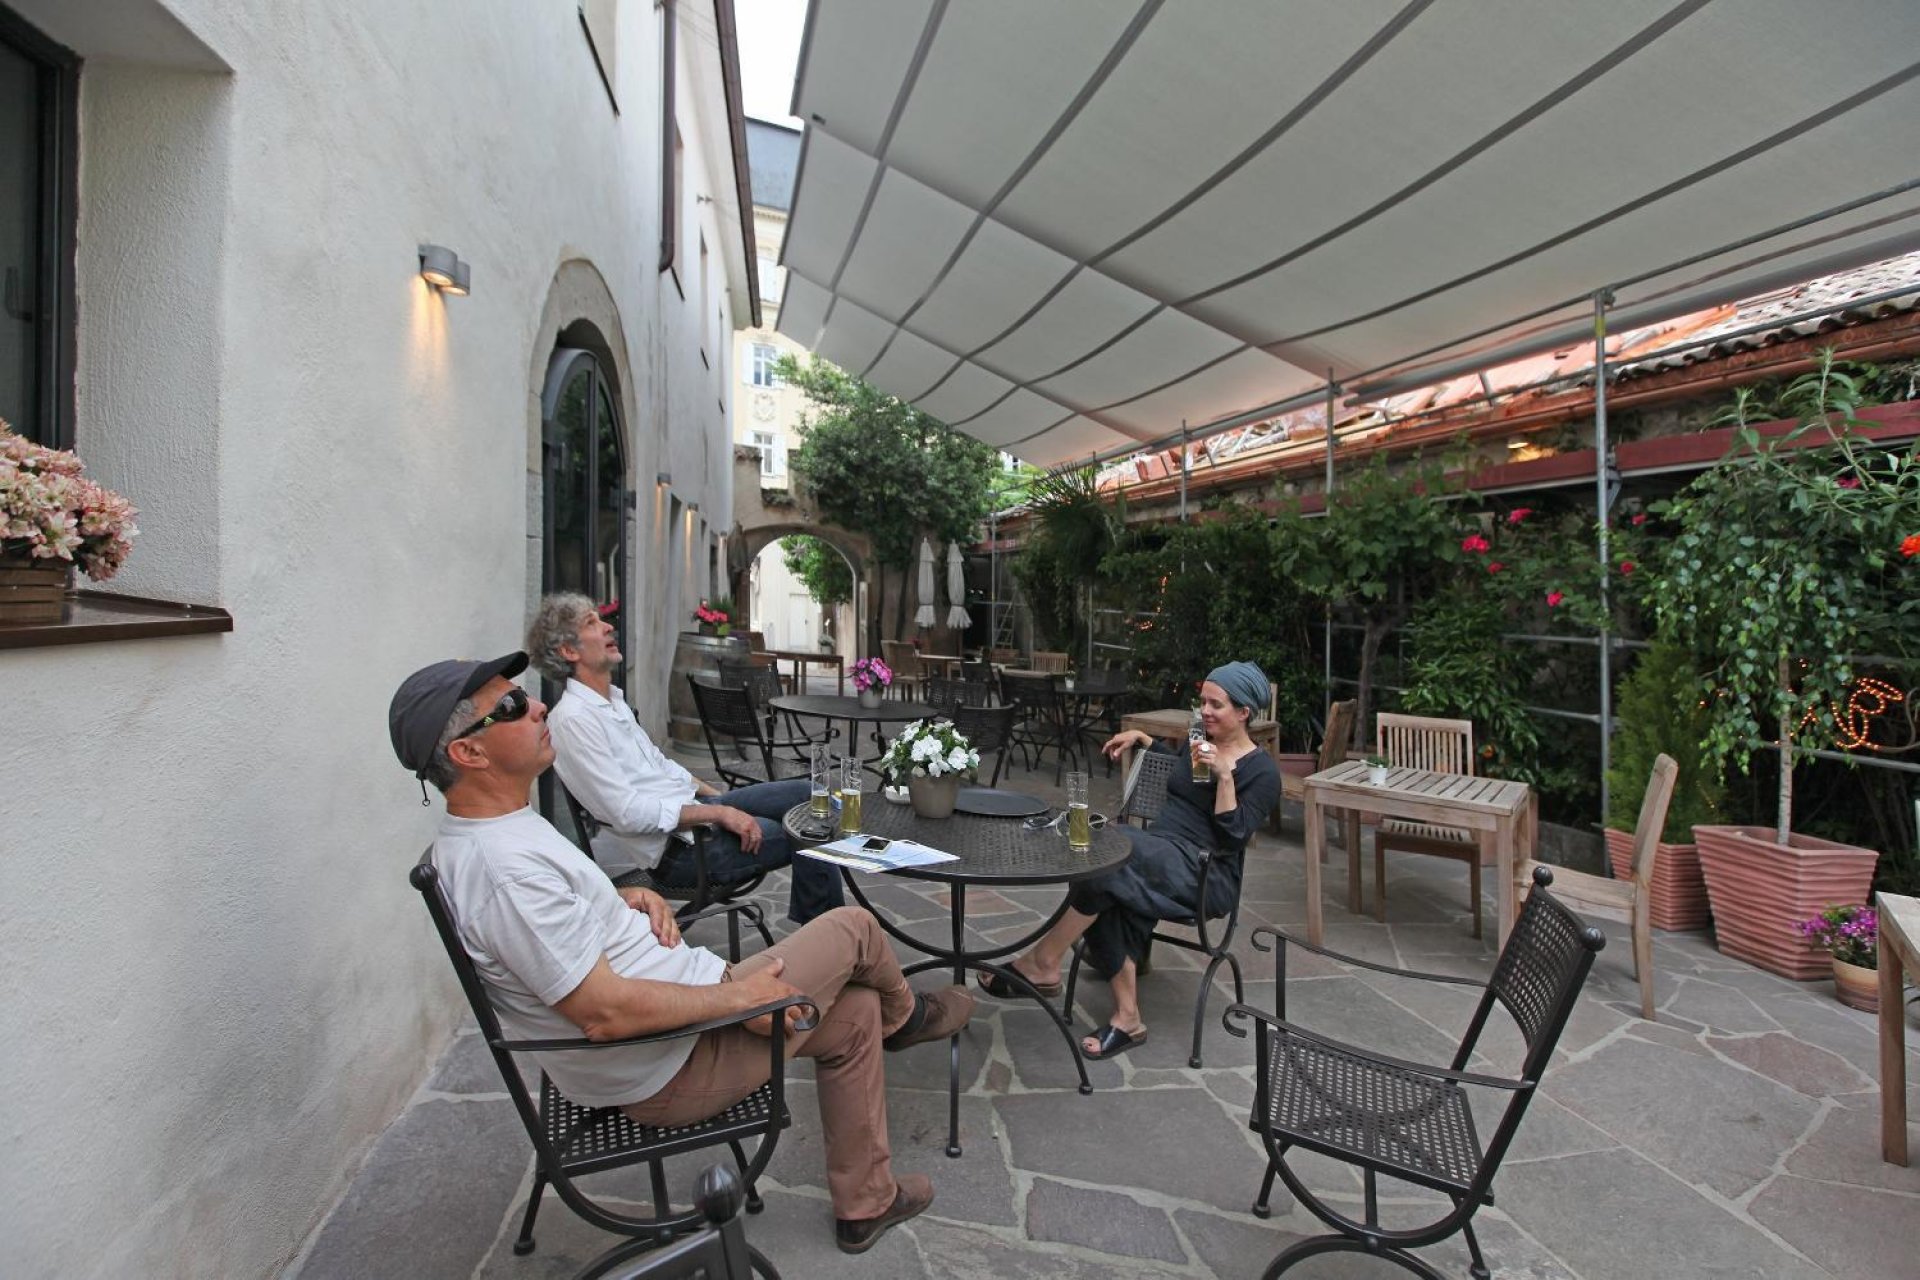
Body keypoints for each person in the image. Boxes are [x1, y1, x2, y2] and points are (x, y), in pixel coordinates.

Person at [388, 652, 974, 1253]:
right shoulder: (503, 870)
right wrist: (738, 997)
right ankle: (909, 1016)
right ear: (469, 752)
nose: (537, 705)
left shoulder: (497, 832)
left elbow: (550, 931)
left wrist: (621, 897)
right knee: (854, 927)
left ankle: (865, 1203)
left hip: (681, 1018)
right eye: (510, 706)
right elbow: (604, 1013)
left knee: (854, 1017)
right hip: (670, 1059)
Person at [978, 661, 1280, 1060]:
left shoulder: (1262, 771)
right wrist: (1145, 740)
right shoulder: (1200, 741)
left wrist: (1225, 777)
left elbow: (1234, 835)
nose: (1204, 711)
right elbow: (1183, 777)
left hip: (1206, 872)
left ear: (1244, 712)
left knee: (1113, 855)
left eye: (1216, 705)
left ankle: (1043, 962)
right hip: (1161, 854)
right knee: (1106, 874)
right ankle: (1127, 1017)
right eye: (1202, 701)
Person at [528, 593, 843, 924]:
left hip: (694, 817)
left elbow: (660, 765)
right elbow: (627, 813)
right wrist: (721, 813)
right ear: (569, 651)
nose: (608, 627)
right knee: (807, 831)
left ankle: (826, 925)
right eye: (592, 623)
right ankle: (832, 933)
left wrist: (719, 800)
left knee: (810, 796)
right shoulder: (574, 720)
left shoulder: (612, 703)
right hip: (681, 852)